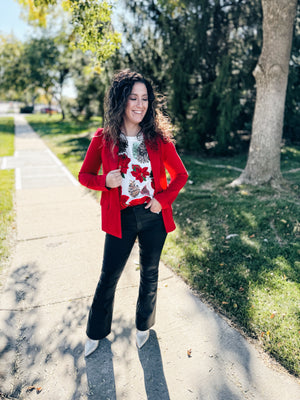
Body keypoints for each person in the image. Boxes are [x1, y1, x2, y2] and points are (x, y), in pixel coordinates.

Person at [78, 69, 188, 357]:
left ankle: (144, 326)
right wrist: (104, 181)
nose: (140, 105)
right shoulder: (103, 139)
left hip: (153, 219)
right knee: (109, 276)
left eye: (144, 99)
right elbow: (84, 175)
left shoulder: (158, 139)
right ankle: (96, 332)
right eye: (133, 98)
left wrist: (162, 200)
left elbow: (180, 175)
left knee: (150, 274)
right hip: (121, 218)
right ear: (120, 101)